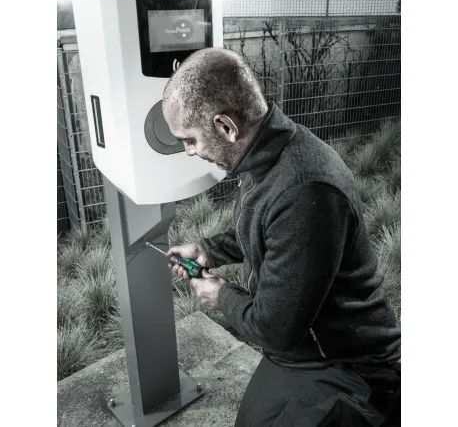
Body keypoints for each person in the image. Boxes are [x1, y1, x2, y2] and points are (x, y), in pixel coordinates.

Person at [162, 47, 401, 426]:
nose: (189, 151)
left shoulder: (304, 189)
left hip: (349, 364)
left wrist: (220, 296)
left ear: (226, 126)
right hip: (301, 350)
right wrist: (209, 251)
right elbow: (268, 230)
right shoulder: (268, 155)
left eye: (189, 139)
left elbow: (275, 330)